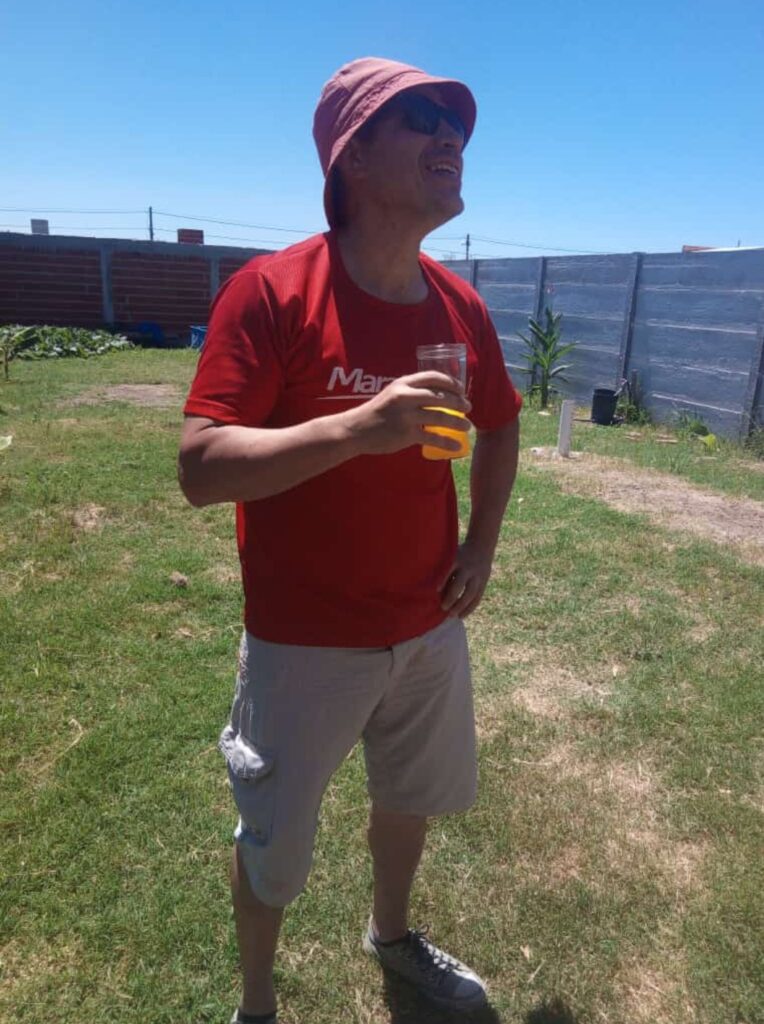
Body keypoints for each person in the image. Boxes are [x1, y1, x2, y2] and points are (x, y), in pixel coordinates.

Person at [178, 56, 522, 1024]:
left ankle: (390, 934)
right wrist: (353, 428)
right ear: (352, 153)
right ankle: (257, 1005)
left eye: (452, 123)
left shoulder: (461, 308)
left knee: (404, 801)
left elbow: (498, 423)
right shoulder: (273, 291)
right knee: (274, 840)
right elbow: (202, 467)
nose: (446, 137)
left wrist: (480, 547)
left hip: (426, 622)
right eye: (415, 119)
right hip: (302, 639)